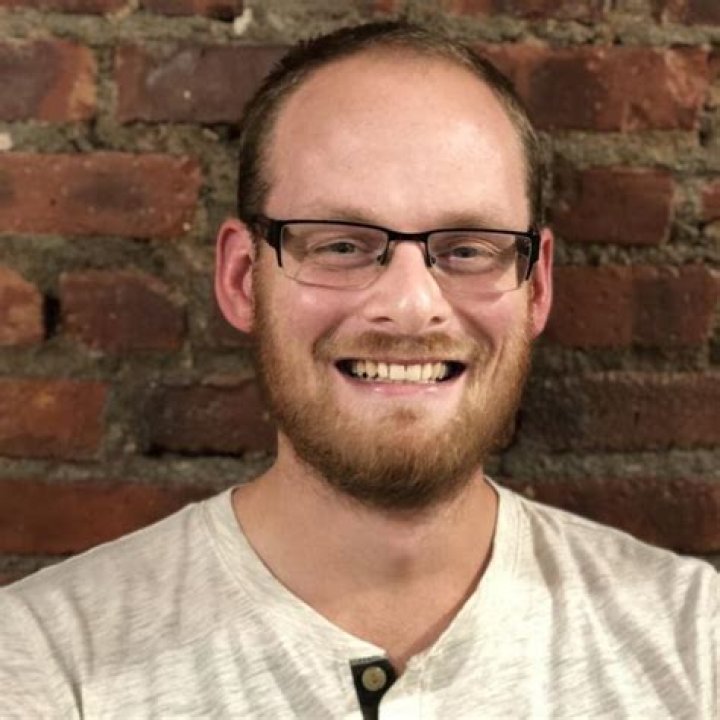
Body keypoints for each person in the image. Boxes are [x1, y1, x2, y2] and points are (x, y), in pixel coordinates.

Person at [1, 20, 717, 719]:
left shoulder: (694, 644)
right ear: (244, 278)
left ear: (537, 287)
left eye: (468, 249)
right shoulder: (47, 663)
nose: (410, 307)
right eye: (341, 245)